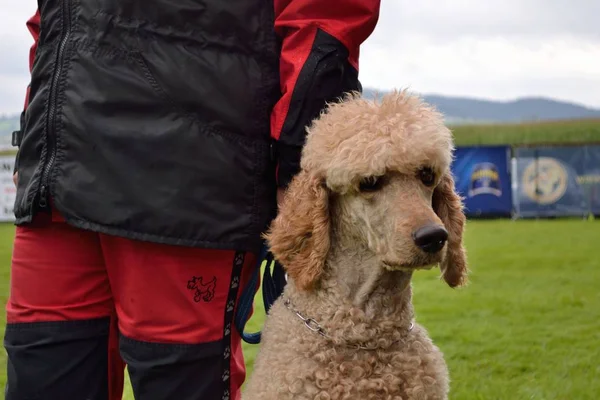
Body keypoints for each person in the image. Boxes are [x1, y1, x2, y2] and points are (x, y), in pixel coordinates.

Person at [4, 0, 380, 399]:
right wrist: (34, 127)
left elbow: (324, 16)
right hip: (60, 179)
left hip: (191, 182)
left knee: (179, 383)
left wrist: (299, 164)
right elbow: (50, 20)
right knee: (42, 380)